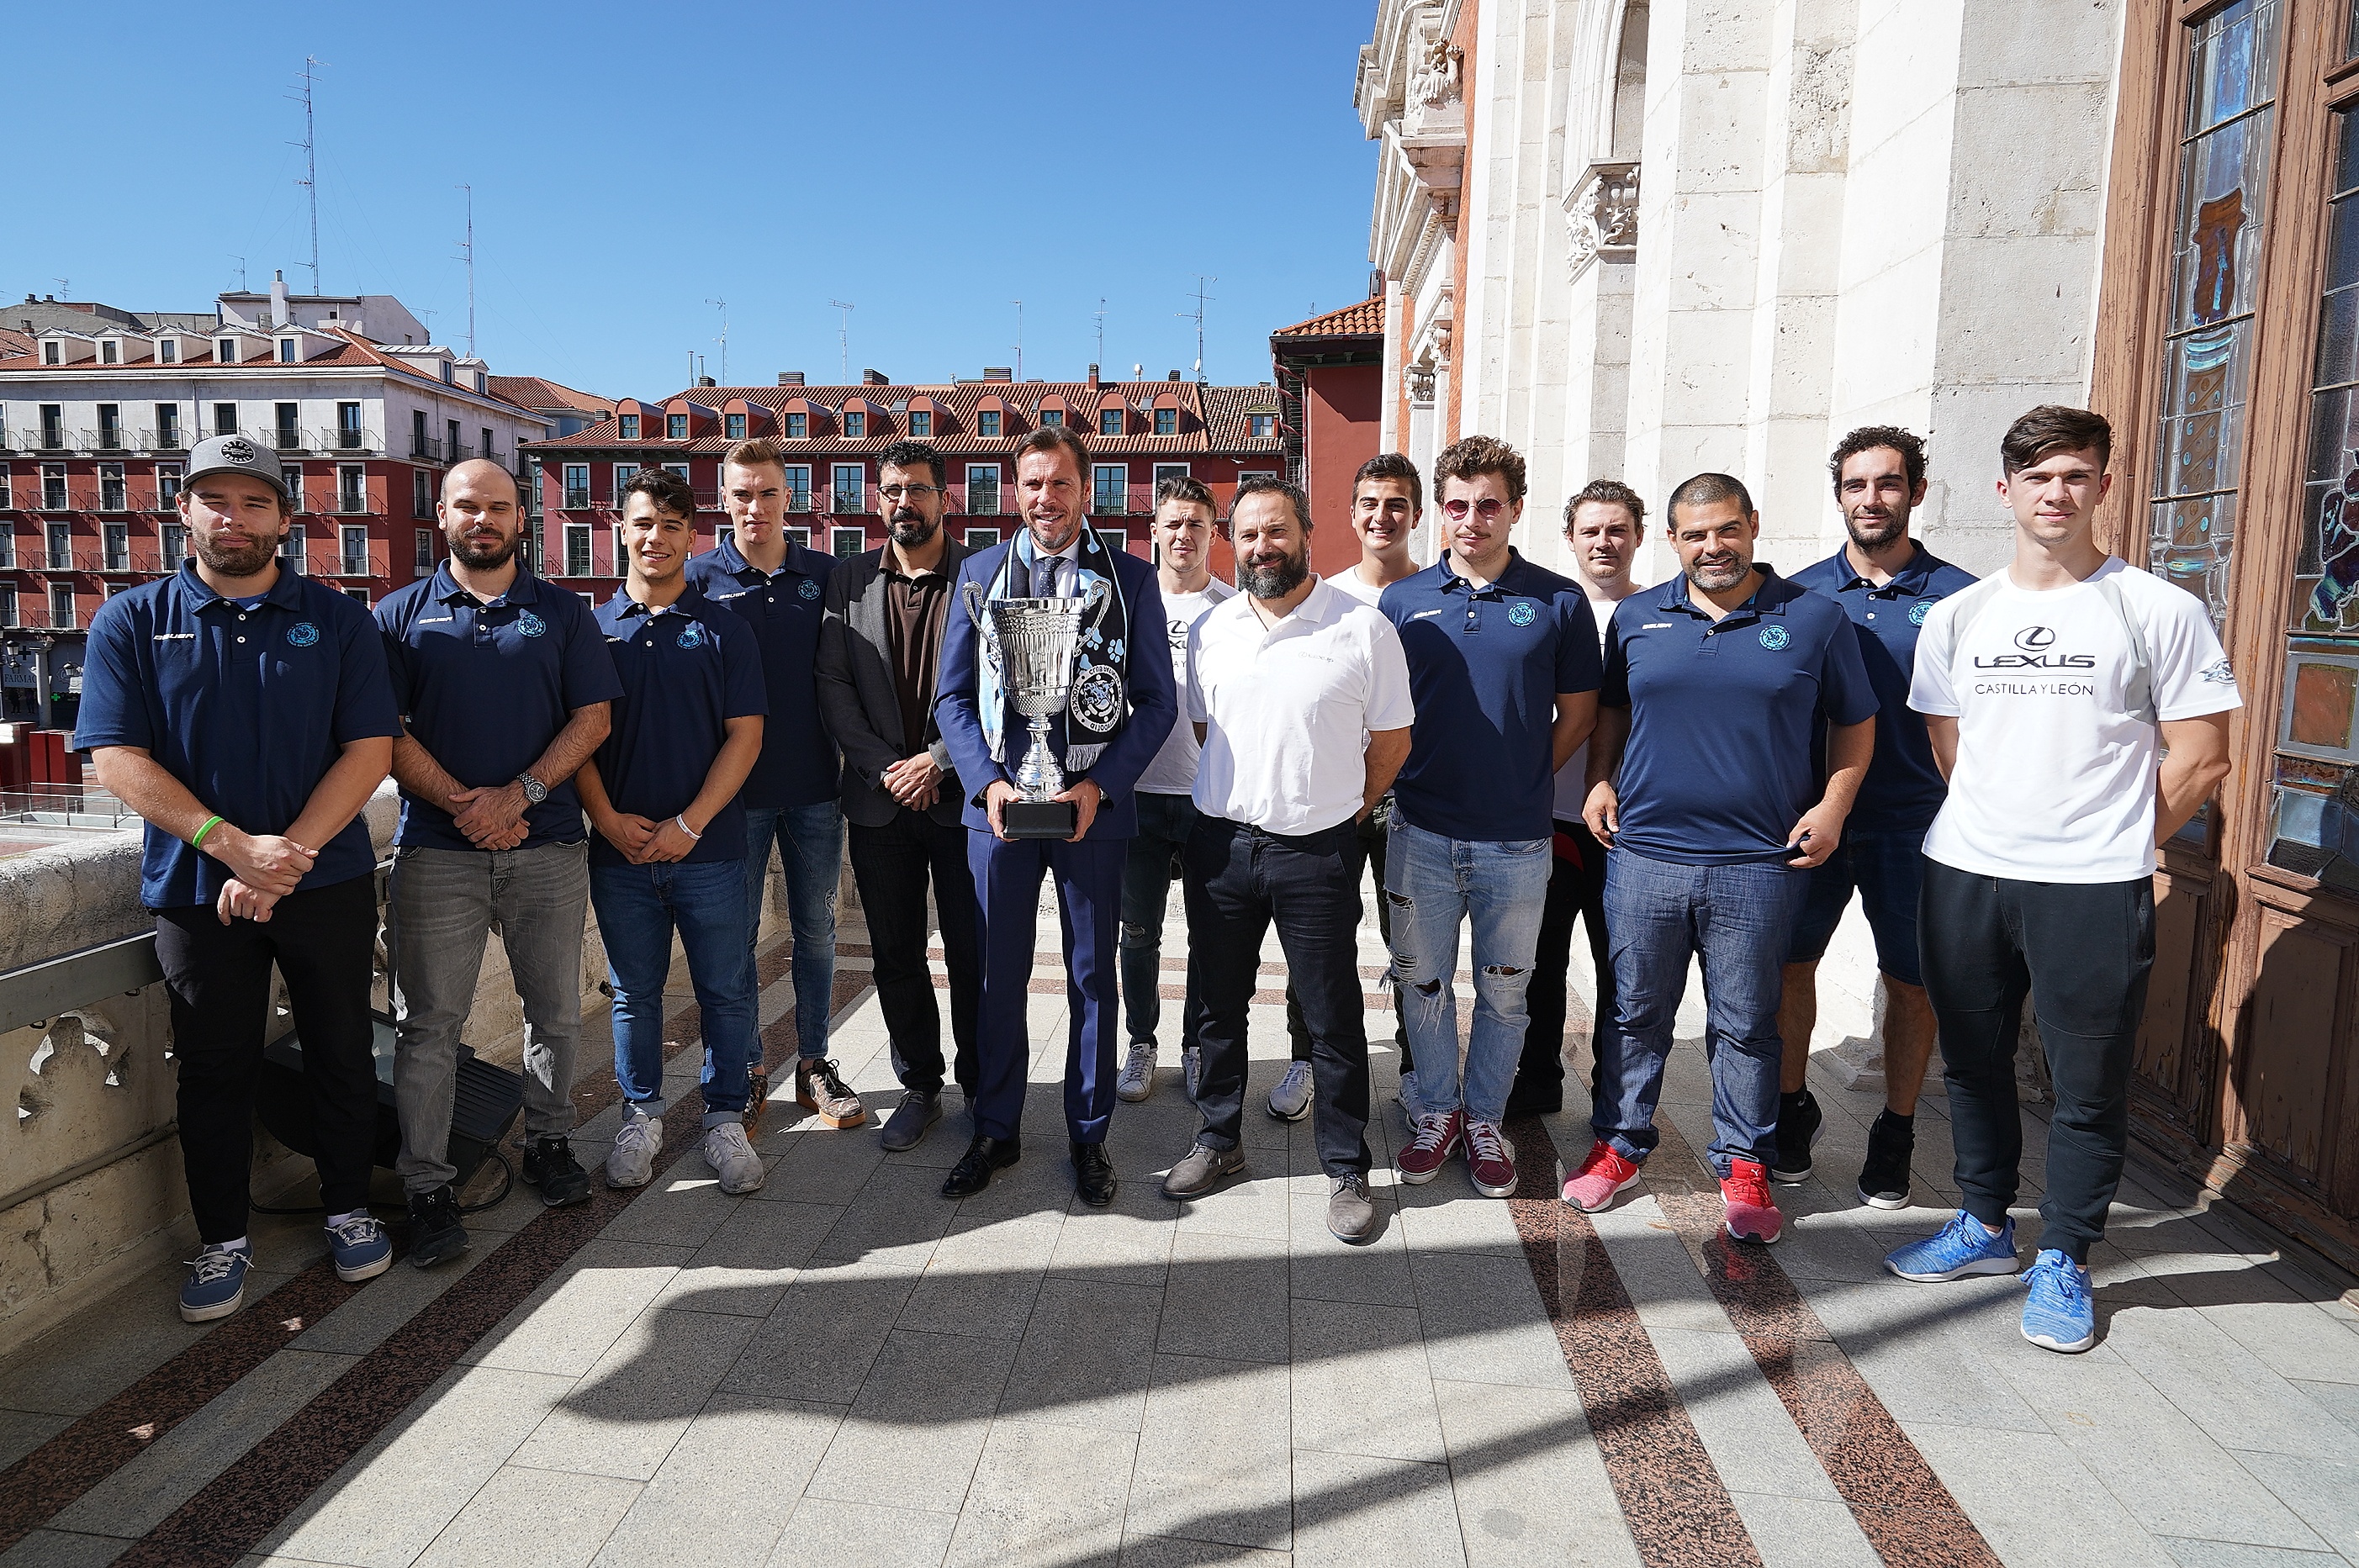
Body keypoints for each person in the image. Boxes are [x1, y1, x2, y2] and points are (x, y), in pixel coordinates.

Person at [1883, 406, 2235, 1354]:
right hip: (1966, 870)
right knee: (1972, 1060)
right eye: (2037, 477)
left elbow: (2203, 756)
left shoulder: (2156, 609)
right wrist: (2007, 822)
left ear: (2103, 486)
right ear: (2005, 490)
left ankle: (2067, 1255)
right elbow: (1949, 746)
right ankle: (1983, 1224)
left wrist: (2107, 838)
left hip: (2091, 883)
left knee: (2087, 1080)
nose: (2056, 493)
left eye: (2075, 475)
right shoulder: (1957, 615)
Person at [79, 434, 399, 1321]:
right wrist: (230, 847)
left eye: (254, 502)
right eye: (215, 500)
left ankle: (349, 1207)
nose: (234, 517)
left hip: (323, 879)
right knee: (212, 1068)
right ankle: (222, 1238)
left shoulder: (339, 620)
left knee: (342, 1047)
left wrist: (281, 855)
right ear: (183, 510)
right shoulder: (130, 621)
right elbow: (116, 757)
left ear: (285, 521)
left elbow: (369, 750)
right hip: (195, 889)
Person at [1569, 473, 1876, 1247]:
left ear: (1752, 526)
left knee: (1744, 1023)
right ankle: (1619, 1145)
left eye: (1727, 529)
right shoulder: (1637, 616)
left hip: (1756, 862)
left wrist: (1833, 806)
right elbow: (1613, 708)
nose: (1713, 546)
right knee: (1634, 1012)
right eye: (1696, 534)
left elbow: (1855, 720)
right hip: (1645, 854)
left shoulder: (1814, 618)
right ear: (1672, 540)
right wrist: (1599, 777)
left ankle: (1744, 1162)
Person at [377, 460, 620, 1266]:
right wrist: (467, 806)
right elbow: (383, 731)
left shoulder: (563, 612)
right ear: (441, 514)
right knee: (427, 1026)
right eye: (466, 506)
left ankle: (549, 1141)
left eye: (498, 507)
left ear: (522, 519)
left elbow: (592, 719)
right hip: (435, 853)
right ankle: (427, 1185)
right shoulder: (397, 616)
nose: (482, 519)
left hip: (546, 845)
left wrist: (518, 796)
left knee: (554, 1011)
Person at [1165, 478, 1413, 1243]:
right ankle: (1218, 1139)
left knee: (1332, 1016)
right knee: (1217, 1006)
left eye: (1276, 531)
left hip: (1317, 851)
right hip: (1221, 845)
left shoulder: (1362, 628)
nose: (1261, 547)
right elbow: (1207, 728)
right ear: (1231, 544)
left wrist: (1338, 809)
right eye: (1247, 535)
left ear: (1306, 533)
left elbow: (1391, 743)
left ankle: (1345, 1166)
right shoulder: (1212, 629)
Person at [935, 425, 1177, 1205]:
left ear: (1085, 487)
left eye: (1060, 483)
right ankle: (994, 1128)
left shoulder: (1130, 580)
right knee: (994, 973)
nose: (1046, 498)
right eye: (1033, 483)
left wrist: (1100, 784)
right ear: (1017, 490)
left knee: (1092, 976)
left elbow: (1156, 702)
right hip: (998, 813)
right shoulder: (979, 575)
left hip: (1091, 813)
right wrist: (985, 784)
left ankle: (1089, 1133)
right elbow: (950, 698)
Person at [1381, 436, 1600, 1200]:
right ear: (1439, 511)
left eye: (1487, 505)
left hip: (1516, 839)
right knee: (1422, 983)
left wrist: (1522, 769)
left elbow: (1578, 713)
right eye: (1457, 505)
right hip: (1419, 830)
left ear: (1514, 509)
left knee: (1506, 991)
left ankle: (1483, 1118)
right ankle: (1437, 1110)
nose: (1470, 519)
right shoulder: (1402, 601)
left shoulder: (1559, 602)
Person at [1776, 428, 1976, 1205]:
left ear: (1915, 492)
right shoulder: (1794, 595)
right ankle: (1791, 1108)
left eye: (1888, 483)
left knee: (1911, 983)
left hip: (1916, 822)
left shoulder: (1964, 598)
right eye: (1855, 485)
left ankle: (1895, 1130)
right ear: (1838, 496)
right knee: (1788, 967)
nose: (1871, 499)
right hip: (1813, 818)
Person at [577, 467, 769, 1196]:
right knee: (634, 993)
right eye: (643, 522)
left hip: (710, 850)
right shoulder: (590, 631)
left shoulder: (725, 629)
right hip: (619, 853)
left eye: (671, 524)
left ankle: (724, 1118)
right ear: (620, 529)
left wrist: (690, 824)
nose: (655, 536)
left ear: (692, 536)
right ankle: (641, 1116)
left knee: (727, 989)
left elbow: (745, 737)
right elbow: (577, 739)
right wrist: (606, 819)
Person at [814, 439, 981, 1154]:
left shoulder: (981, 575)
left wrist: (938, 761)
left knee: (974, 952)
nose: (903, 502)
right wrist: (888, 768)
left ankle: (983, 1085)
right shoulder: (847, 580)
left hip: (963, 799)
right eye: (891, 491)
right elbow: (833, 686)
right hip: (880, 803)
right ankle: (920, 1085)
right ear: (876, 499)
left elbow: (998, 685)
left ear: (944, 497)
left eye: (916, 489)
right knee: (894, 953)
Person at [685, 438, 856, 1132]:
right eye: (741, 494)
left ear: (790, 499)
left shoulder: (828, 574)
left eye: (766, 493)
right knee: (736, 940)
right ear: (723, 500)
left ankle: (814, 1063)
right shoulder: (696, 579)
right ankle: (749, 1068)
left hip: (815, 786)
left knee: (817, 930)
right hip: (730, 796)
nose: (754, 506)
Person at [1276, 452, 1422, 1115]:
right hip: (1330, 800)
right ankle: (1304, 1058)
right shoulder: (1323, 599)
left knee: (1412, 946)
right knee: (1315, 938)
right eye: (1370, 503)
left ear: (1414, 514)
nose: (1381, 515)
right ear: (1352, 513)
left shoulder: (1436, 595)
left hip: (1411, 800)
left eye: (1395, 504)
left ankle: (1417, 1069)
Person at [1507, 479, 1647, 1117]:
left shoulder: (1660, 613)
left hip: (1631, 827)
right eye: (1590, 530)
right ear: (1569, 538)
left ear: (1639, 536)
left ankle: (1614, 1093)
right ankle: (1537, 1078)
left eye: (1617, 529)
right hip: (1551, 817)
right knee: (1540, 961)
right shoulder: (1551, 608)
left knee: (1622, 969)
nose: (1603, 542)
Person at [1115, 475, 1234, 1105]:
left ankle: (1194, 1044)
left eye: (1196, 523)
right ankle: (1141, 1041)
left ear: (1214, 533)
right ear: (1153, 531)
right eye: (1173, 523)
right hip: (1136, 792)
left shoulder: (1234, 607)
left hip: (1206, 795)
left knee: (1208, 936)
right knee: (1137, 932)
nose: (1183, 534)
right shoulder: (1128, 601)